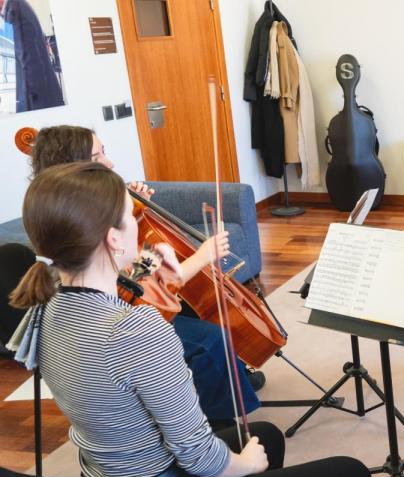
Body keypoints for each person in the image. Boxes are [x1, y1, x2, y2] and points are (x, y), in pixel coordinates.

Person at [8, 162, 394, 477]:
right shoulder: (136, 329)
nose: (141, 222)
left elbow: (106, 291)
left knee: (265, 435)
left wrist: (149, 267)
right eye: (132, 214)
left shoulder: (44, 303)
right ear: (112, 238)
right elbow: (197, 454)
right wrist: (246, 464)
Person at [28, 125, 263, 426]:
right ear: (76, 166)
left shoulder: (62, 207)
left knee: (198, 309)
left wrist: (131, 212)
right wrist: (199, 257)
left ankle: (230, 376)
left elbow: (128, 271)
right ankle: (220, 422)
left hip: (119, 304)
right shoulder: (78, 223)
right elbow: (133, 286)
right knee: (210, 340)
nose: (110, 164)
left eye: (105, 152)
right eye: (98, 156)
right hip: (120, 316)